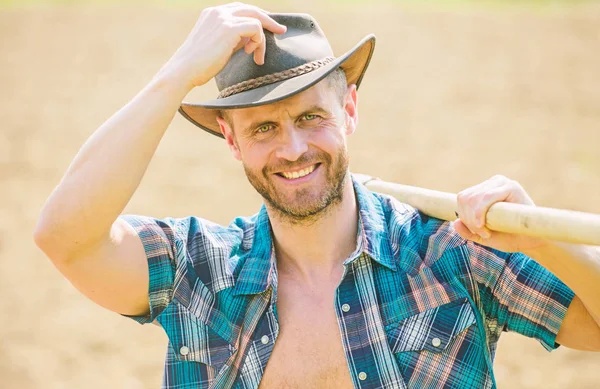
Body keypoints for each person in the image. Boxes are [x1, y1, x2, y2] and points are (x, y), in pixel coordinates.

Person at [33, 3, 600, 389]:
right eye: (263, 129)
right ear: (229, 139)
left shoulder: (450, 252)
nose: (293, 149)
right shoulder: (198, 272)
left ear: (349, 110)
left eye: (311, 117)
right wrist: (176, 76)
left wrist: (544, 243)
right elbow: (64, 238)